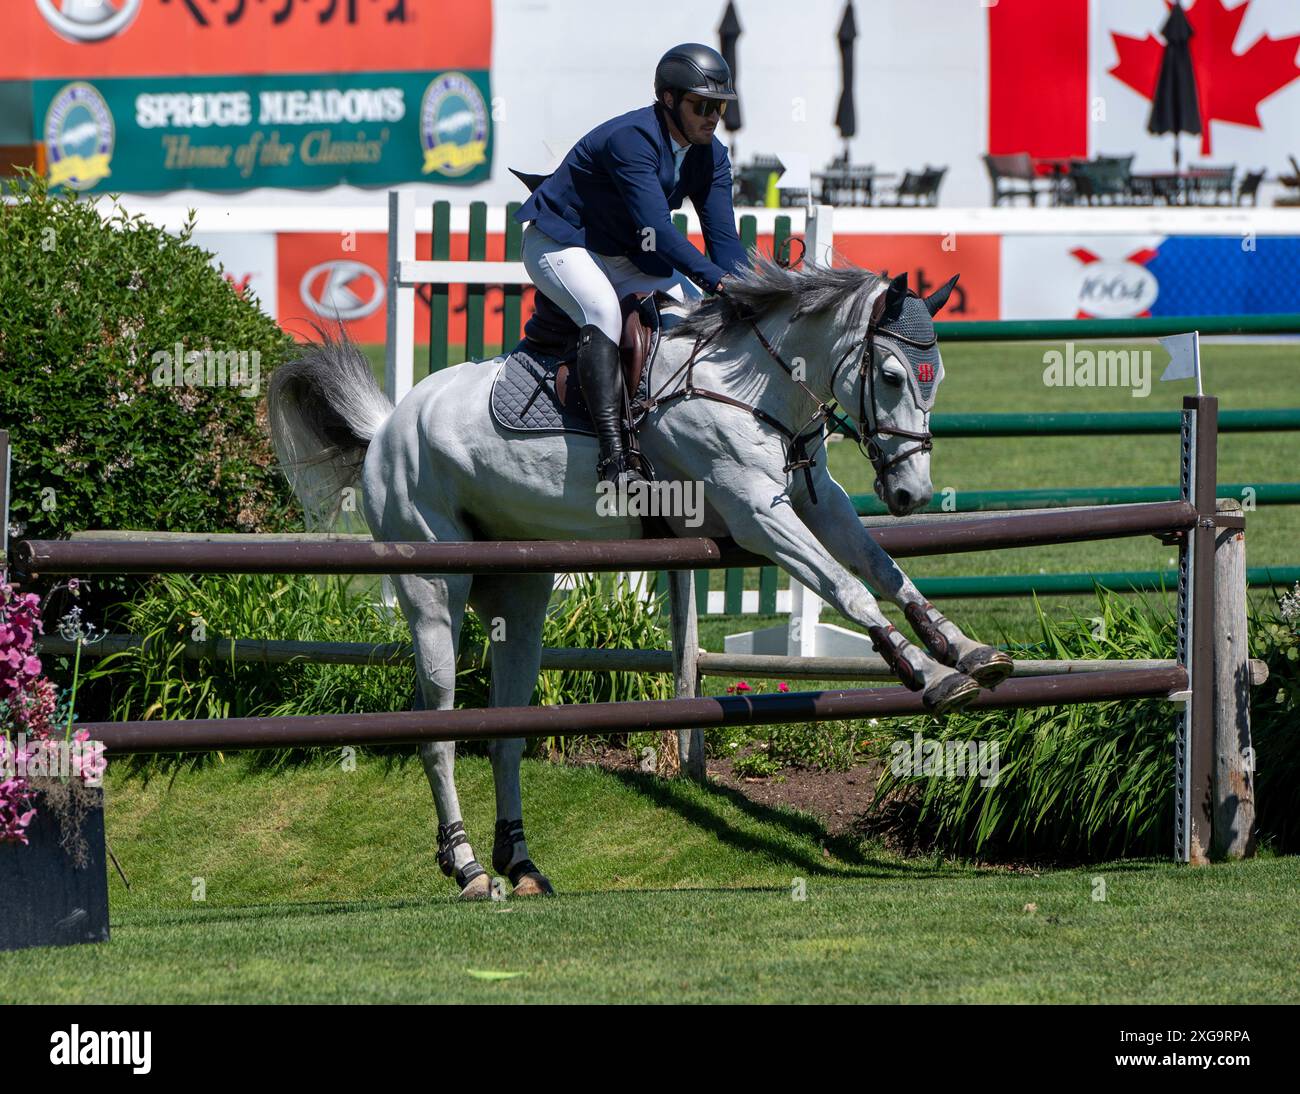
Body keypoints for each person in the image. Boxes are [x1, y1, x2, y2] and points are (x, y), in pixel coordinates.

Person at [515, 43, 750, 486]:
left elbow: (723, 239)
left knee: (697, 308)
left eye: (719, 107)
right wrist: (721, 283)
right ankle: (614, 456)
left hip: (623, 251)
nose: (712, 116)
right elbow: (658, 230)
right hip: (561, 241)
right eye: (702, 105)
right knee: (602, 311)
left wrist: (745, 290)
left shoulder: (712, 156)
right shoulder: (633, 139)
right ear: (668, 100)